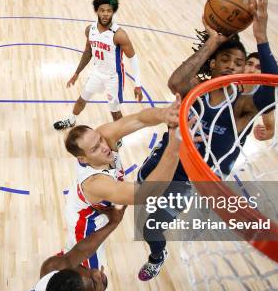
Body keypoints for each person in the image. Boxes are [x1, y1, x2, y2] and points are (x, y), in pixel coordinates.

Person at [136, 0, 278, 281]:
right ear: (213, 64)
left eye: (238, 62)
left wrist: (262, 38)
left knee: (150, 227)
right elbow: (175, 82)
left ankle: (157, 255)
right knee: (140, 209)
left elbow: (274, 92)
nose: (230, 65)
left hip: (190, 180)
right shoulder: (194, 89)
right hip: (160, 164)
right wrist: (214, 42)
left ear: (244, 70)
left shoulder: (243, 105)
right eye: (224, 59)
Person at [63, 100, 192, 269]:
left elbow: (140, 119)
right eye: (94, 149)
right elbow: (145, 194)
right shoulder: (96, 183)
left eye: (100, 140)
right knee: (91, 277)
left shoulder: (104, 136)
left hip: (98, 205)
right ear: (83, 159)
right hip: (85, 227)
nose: (104, 147)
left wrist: (163, 114)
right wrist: (174, 148)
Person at [27, 205, 125, 291]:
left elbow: (81, 250)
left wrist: (113, 223)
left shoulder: (50, 273)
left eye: (89, 271)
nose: (97, 273)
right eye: (94, 282)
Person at [53, 0, 143, 131]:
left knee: (115, 111)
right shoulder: (90, 30)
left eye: (109, 11)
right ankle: (71, 120)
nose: (105, 14)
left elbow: (133, 58)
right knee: (81, 99)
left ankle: (118, 134)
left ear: (113, 12)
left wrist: (137, 85)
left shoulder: (119, 34)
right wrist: (76, 73)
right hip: (97, 73)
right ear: (97, 11)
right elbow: (88, 52)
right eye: (102, 10)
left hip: (113, 77)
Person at [244, 52, 276, 141]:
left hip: (234, 140)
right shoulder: (227, 81)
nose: (252, 70)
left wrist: (263, 134)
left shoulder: (263, 95)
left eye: (259, 67)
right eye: (250, 64)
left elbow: (271, 131)